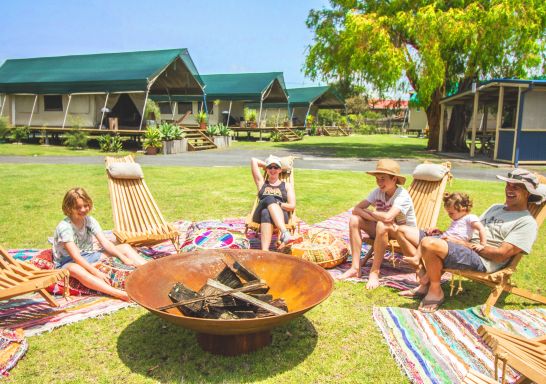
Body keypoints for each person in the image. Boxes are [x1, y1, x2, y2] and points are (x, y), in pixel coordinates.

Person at [400, 169, 541, 312]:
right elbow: (470, 228)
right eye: (508, 185)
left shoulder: (526, 223)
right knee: (403, 231)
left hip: (482, 259)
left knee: (429, 243)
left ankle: (435, 290)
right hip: (463, 245)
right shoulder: (496, 208)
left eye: (515, 187)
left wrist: (463, 244)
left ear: (527, 193)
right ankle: (425, 284)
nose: (509, 190)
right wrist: (445, 234)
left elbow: (500, 255)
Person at [52, 187, 147, 301]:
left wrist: (123, 257)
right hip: (67, 261)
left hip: (89, 255)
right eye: (78, 207)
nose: (83, 209)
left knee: (125, 248)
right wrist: (96, 272)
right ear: (69, 208)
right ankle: (119, 294)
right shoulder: (64, 227)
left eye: (85, 205)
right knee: (75, 269)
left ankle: (151, 270)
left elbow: (105, 242)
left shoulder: (90, 220)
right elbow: (75, 256)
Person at [337, 159, 417, 290]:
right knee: (354, 219)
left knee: (381, 224)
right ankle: (355, 268)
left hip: (404, 234)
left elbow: (389, 217)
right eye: (377, 179)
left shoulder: (402, 195)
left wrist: (373, 213)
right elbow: (356, 209)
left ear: (394, 179)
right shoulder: (377, 192)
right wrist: (375, 215)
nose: (379, 182)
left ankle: (374, 272)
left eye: (383, 179)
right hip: (384, 229)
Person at [402, 192, 487, 268]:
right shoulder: (457, 219)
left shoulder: (470, 217)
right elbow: (453, 232)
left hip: (454, 244)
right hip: (445, 240)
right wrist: (440, 232)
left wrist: (482, 244)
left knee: (425, 240)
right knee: (426, 242)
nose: (449, 215)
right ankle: (426, 278)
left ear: (463, 209)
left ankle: (417, 258)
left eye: (451, 213)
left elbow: (481, 228)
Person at [250, 155, 296, 250]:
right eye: (270, 167)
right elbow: (254, 160)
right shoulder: (262, 183)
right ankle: (285, 233)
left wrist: (278, 203)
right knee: (269, 198)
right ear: (267, 169)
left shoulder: (286, 186)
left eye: (276, 167)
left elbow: (292, 206)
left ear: (280, 170)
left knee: (266, 212)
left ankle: (265, 251)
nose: (273, 169)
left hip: (281, 215)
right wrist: (266, 165)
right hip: (258, 215)